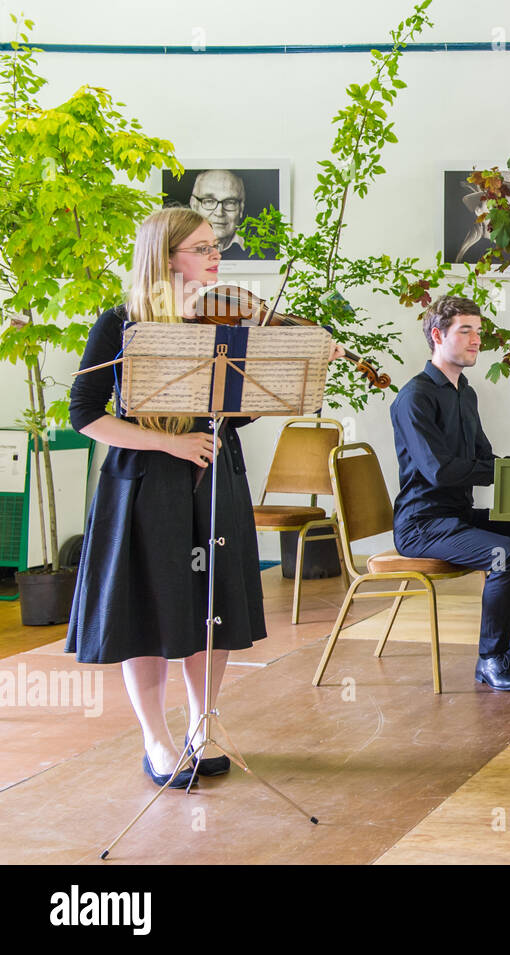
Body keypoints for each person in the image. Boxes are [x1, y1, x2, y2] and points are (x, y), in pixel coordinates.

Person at [65, 208, 289, 787]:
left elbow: (231, 416)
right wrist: (168, 443)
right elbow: (85, 415)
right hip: (145, 484)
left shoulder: (223, 324)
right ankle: (156, 740)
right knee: (150, 611)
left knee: (209, 608)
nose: (217, 258)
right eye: (202, 248)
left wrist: (285, 371)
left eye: (216, 247)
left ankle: (201, 725)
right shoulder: (120, 322)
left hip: (213, 473)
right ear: (167, 258)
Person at [390, 295, 510, 692]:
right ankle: (489, 658)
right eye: (465, 331)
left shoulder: (464, 392)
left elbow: (484, 459)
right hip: (422, 524)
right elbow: (440, 471)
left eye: (479, 331)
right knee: (504, 554)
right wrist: (500, 470)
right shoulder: (414, 397)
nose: (476, 340)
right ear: (437, 335)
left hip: (455, 516)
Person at [189, 169, 248, 260]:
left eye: (230, 202)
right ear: (194, 206)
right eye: (209, 201)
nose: (219, 212)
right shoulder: (174, 249)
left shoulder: (265, 250)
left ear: (241, 209)